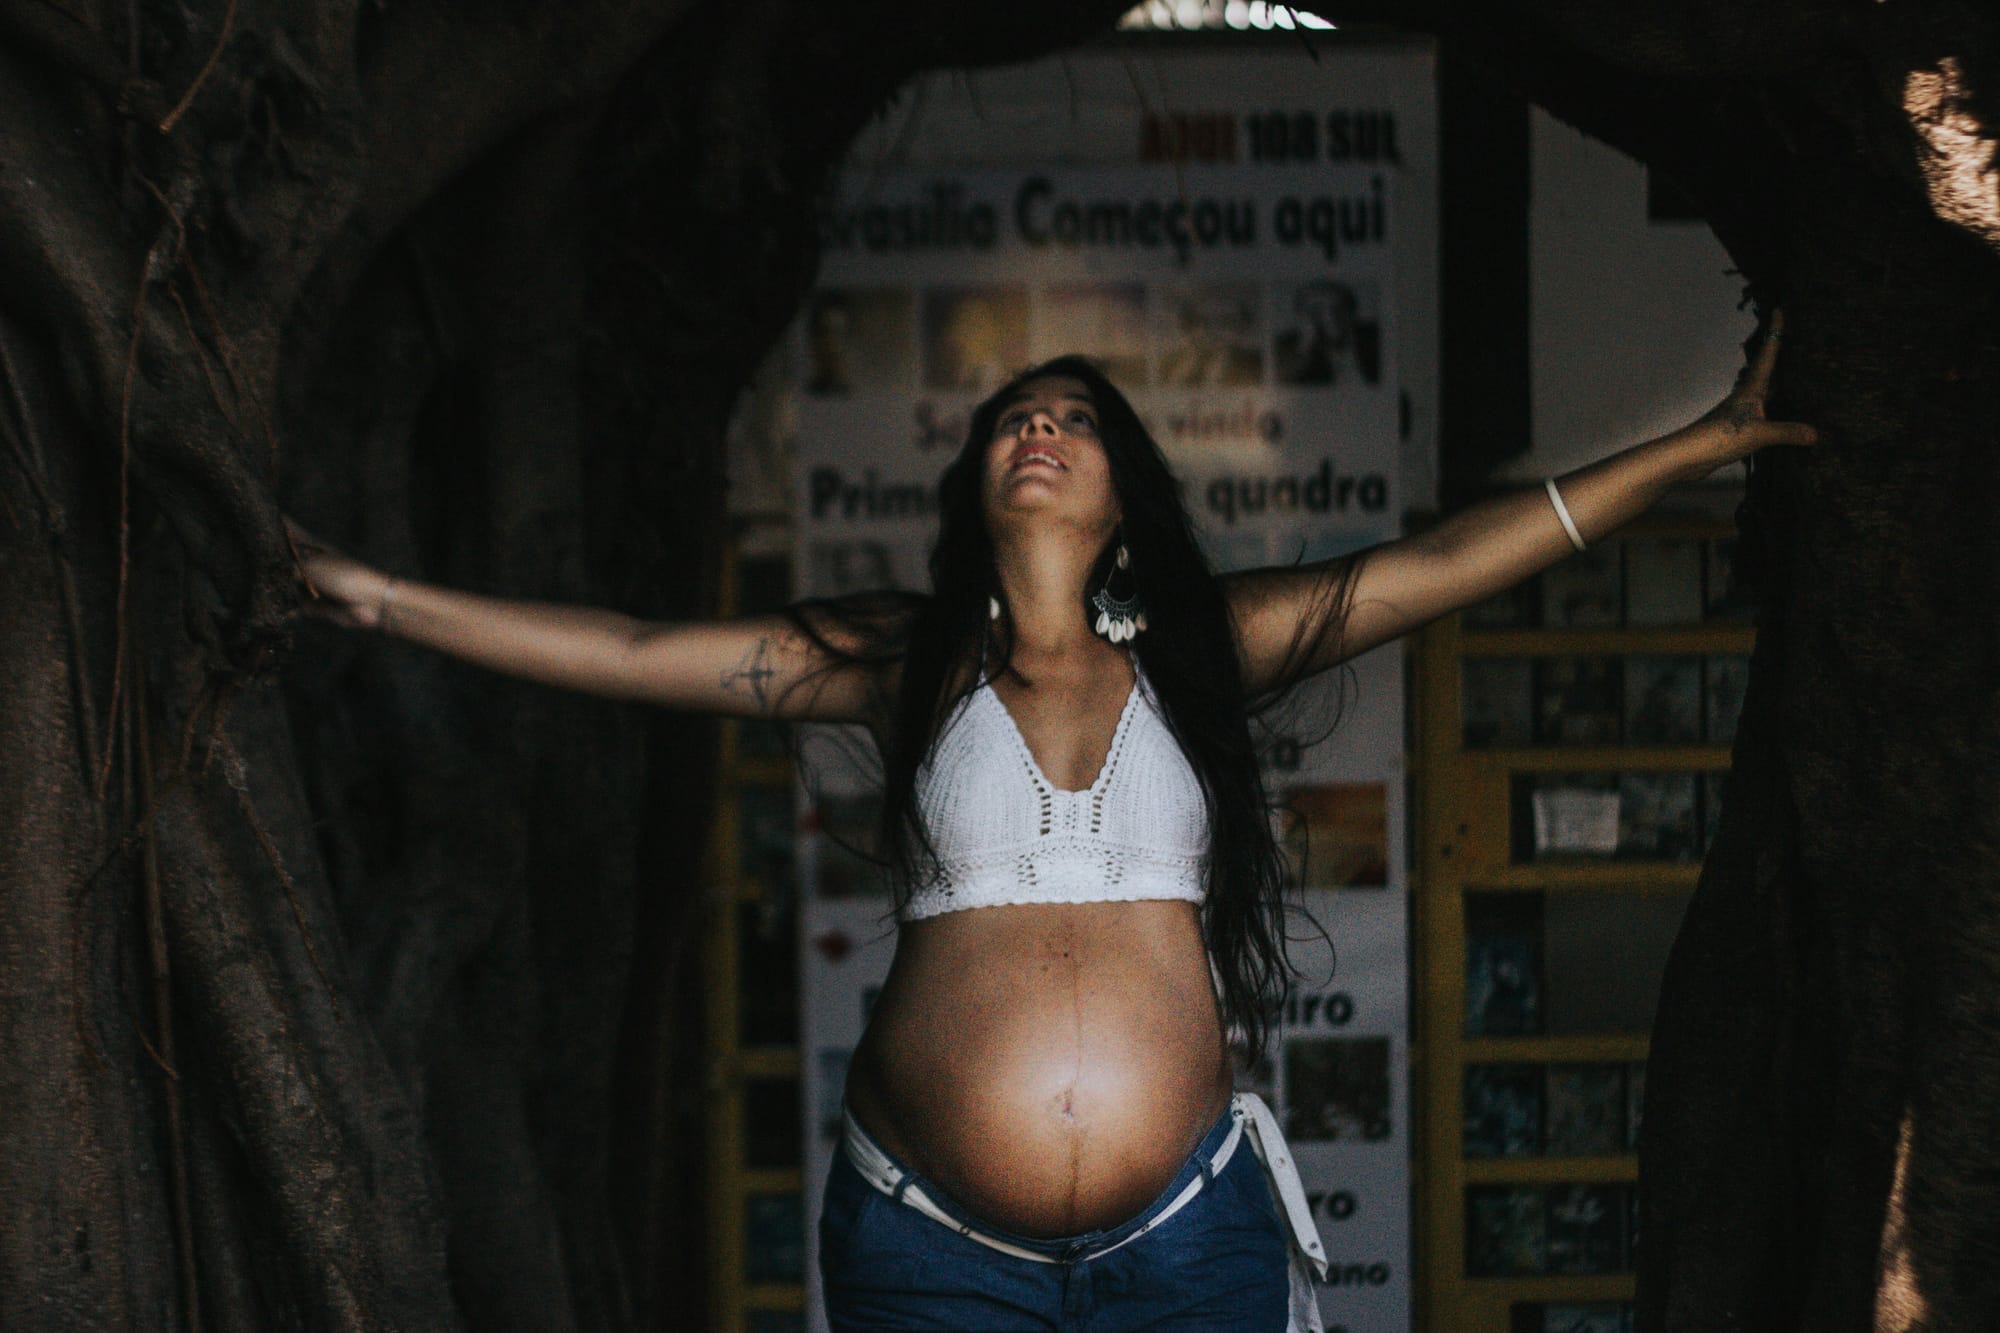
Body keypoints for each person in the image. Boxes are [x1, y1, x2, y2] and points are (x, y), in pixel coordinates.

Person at [289, 319, 1814, 1332]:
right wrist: (375, 596)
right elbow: (635, 652)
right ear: (977, 484)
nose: (1039, 426)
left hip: (1190, 1238)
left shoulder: (1201, 651)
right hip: (933, 1248)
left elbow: (1446, 567)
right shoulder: (904, 661)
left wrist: (1699, 445)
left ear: (1122, 489)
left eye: (1075, 418)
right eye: (1016, 415)